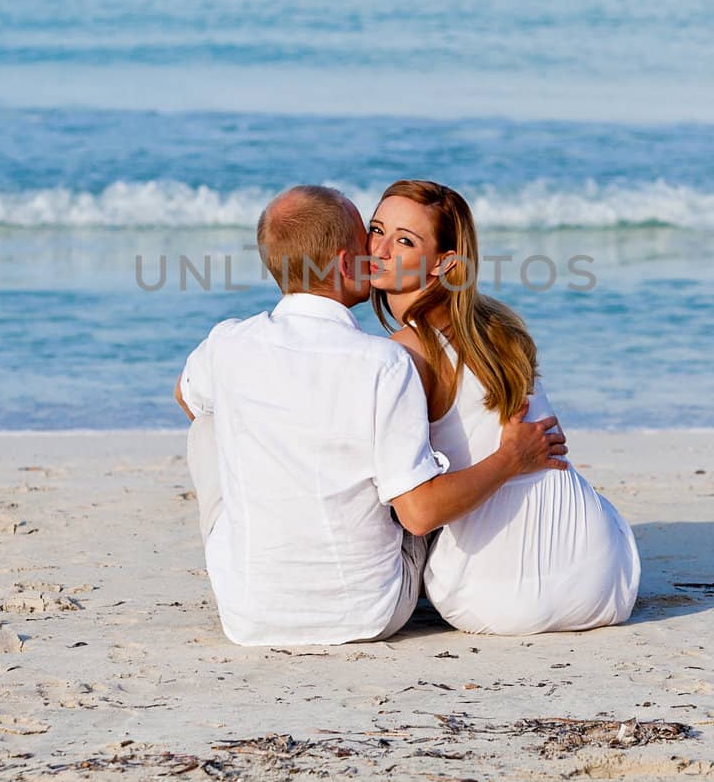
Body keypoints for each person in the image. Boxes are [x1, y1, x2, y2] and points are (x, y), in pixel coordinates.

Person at [174, 184, 568, 646]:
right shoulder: (384, 363)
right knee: (401, 467)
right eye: (370, 237)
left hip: (248, 615)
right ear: (345, 264)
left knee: (209, 425)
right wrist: (509, 460)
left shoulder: (227, 343)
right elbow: (419, 518)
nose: (376, 251)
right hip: (368, 612)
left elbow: (186, 397)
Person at [368, 179, 640, 635]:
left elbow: (417, 515)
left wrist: (509, 459)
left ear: (443, 263)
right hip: (609, 576)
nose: (379, 248)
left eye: (404, 240)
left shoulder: (408, 351)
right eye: (377, 230)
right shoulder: (497, 326)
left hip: (500, 598)